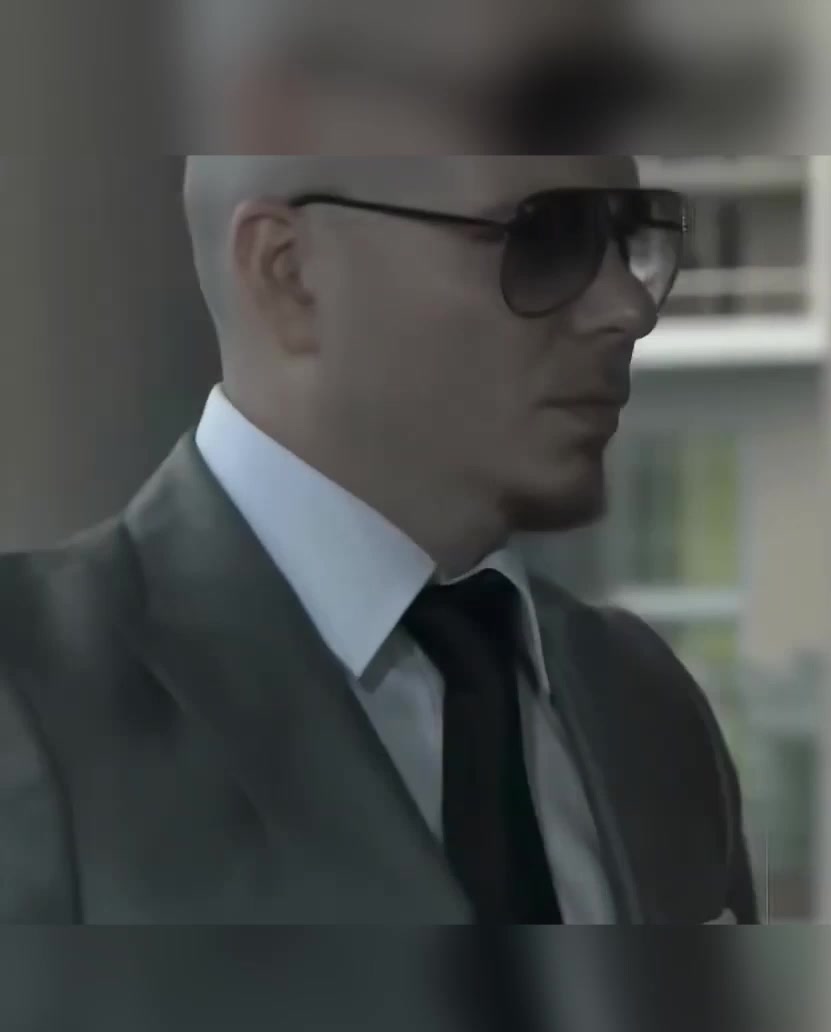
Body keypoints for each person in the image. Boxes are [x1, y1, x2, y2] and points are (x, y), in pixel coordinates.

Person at [0, 153, 759, 926]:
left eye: (625, 239)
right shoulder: (32, 698)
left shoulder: (647, 709)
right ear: (291, 273)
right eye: (547, 237)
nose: (628, 307)